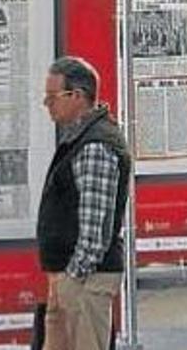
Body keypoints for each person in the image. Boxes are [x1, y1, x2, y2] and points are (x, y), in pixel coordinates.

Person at [38, 56, 131, 350]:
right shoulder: (83, 138)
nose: (46, 103)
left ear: (77, 96)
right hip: (72, 277)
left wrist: (71, 278)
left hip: (84, 280)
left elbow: (94, 230)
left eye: (52, 96)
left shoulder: (95, 145)